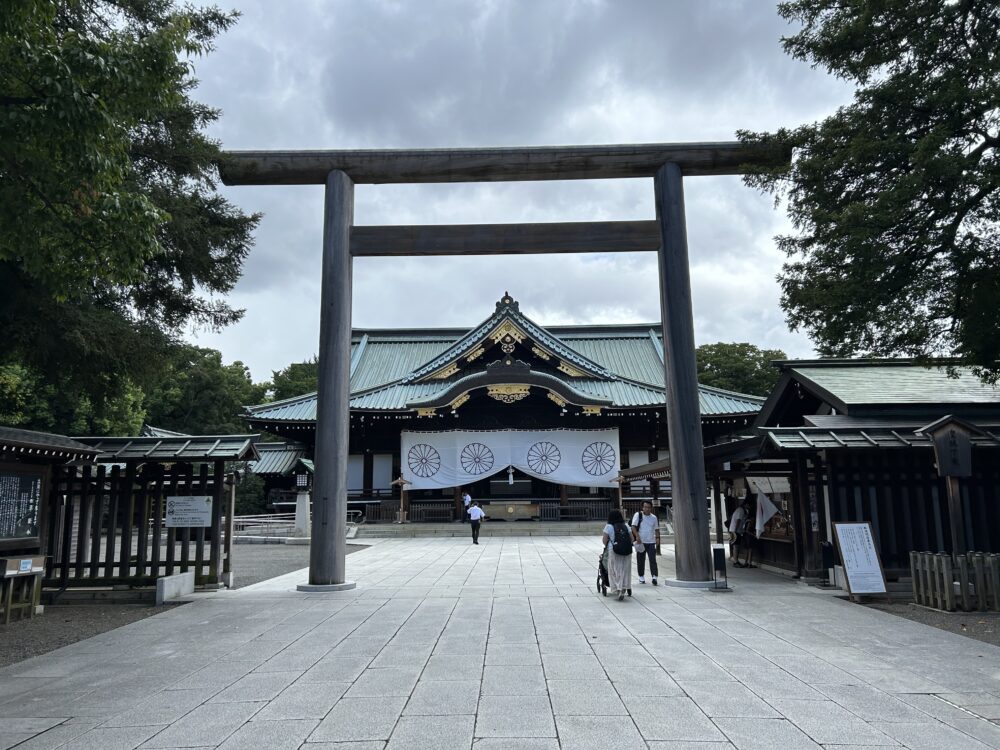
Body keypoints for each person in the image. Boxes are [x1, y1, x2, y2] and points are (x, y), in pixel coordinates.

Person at [602, 509, 633, 600]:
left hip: (614, 550)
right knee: (625, 570)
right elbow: (632, 539)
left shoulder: (608, 527)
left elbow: (604, 541)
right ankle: (624, 588)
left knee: (614, 570)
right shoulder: (626, 526)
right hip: (627, 551)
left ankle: (618, 589)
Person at [630, 500, 660, 585]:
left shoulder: (654, 517)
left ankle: (654, 576)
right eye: (645, 507)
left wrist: (657, 538)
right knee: (640, 559)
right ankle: (641, 576)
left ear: (651, 508)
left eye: (649, 507)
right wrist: (637, 536)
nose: (647, 509)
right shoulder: (638, 515)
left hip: (651, 541)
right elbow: (633, 526)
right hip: (641, 541)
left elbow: (656, 529)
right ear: (642, 507)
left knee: (652, 559)